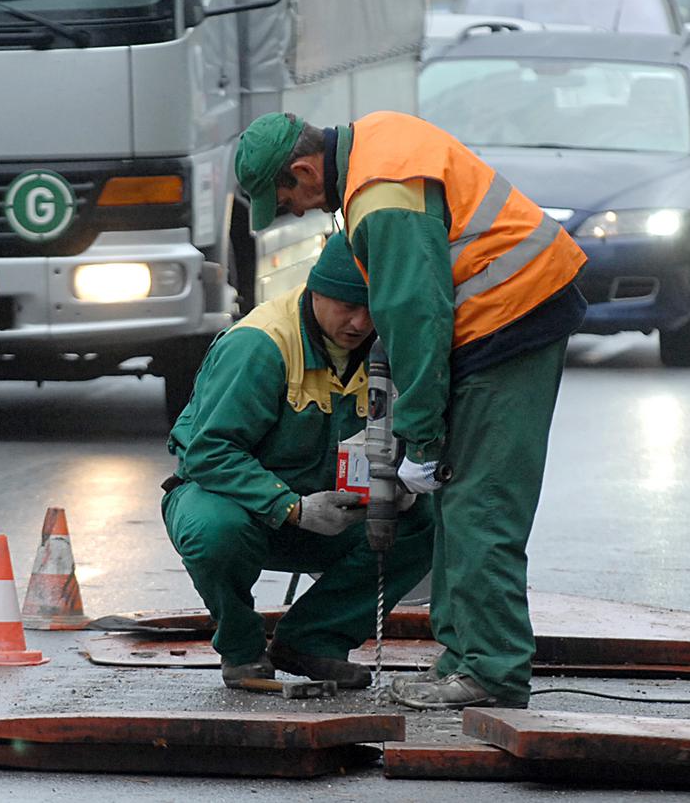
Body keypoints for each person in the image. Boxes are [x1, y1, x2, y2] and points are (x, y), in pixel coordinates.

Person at [233, 110, 588, 709]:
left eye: (287, 199)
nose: (294, 212)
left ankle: (492, 673)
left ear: (302, 170)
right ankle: (465, 661)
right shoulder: (376, 143)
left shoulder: (382, 196)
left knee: (480, 506)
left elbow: (416, 318)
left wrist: (421, 441)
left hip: (510, 323)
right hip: (501, 321)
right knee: (461, 503)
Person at [161, 233, 435, 689]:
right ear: (315, 290)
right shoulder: (260, 346)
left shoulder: (389, 345)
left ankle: (312, 640)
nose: (359, 321)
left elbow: (419, 431)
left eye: (371, 308)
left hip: (334, 516)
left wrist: (401, 486)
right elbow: (209, 453)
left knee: (426, 521)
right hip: (241, 507)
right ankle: (242, 650)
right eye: (347, 305)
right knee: (215, 529)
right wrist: (294, 508)